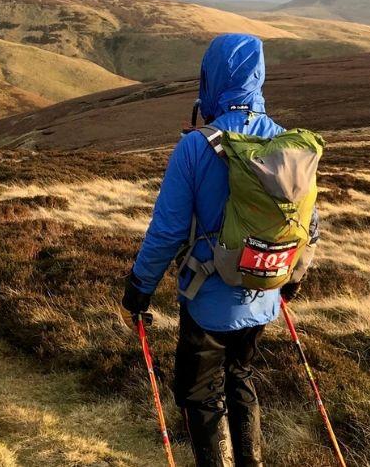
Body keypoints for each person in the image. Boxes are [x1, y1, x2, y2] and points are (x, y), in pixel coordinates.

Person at [121, 33, 319, 467]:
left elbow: (167, 232)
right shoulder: (288, 145)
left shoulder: (195, 147)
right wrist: (291, 283)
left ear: (212, 78)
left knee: (199, 394)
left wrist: (140, 287)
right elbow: (309, 225)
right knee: (241, 376)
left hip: (208, 300)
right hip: (264, 292)